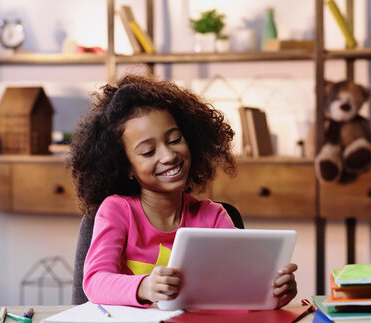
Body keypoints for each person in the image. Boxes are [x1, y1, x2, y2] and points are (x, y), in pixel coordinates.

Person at [69, 74, 298, 307]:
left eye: (175, 139)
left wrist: (277, 291)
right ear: (126, 166)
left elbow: (241, 287)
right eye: (148, 152)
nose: (168, 156)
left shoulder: (213, 217)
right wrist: (146, 286)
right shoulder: (117, 210)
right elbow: (95, 282)